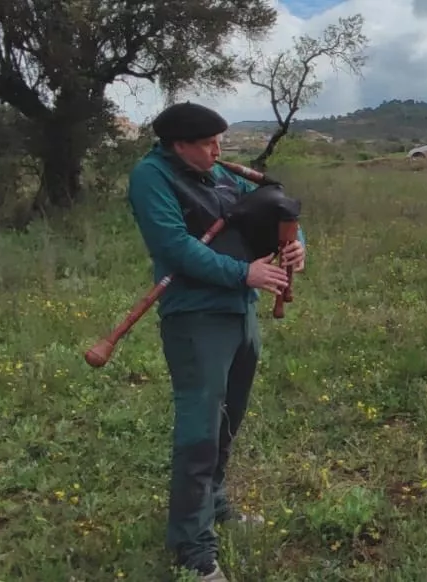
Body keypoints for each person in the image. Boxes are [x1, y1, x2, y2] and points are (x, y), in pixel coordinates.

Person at [127, 102, 306, 581]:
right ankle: (193, 546)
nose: (218, 150)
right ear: (178, 145)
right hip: (195, 317)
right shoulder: (152, 177)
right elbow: (174, 246)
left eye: (219, 140)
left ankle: (216, 503)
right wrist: (243, 272)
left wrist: (295, 242)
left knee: (229, 419)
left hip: (240, 312)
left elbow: (274, 204)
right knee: (199, 431)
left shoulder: (221, 174)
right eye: (207, 143)